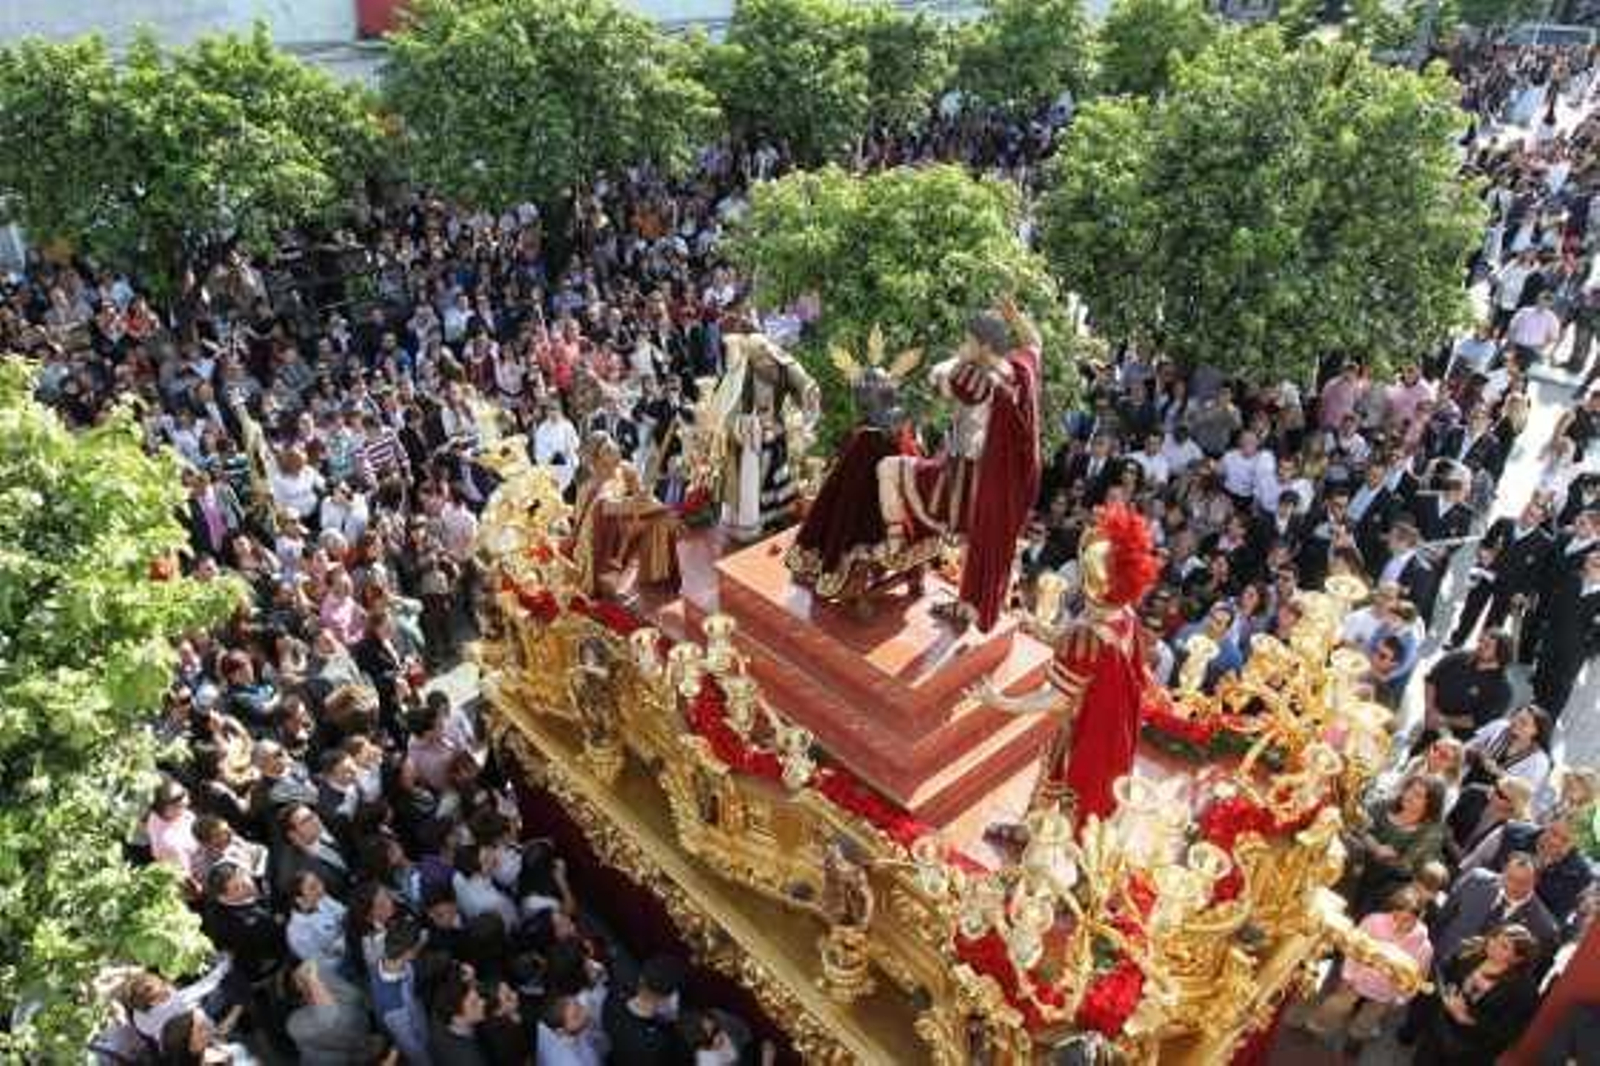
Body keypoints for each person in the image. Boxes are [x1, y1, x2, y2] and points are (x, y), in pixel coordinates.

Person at [969, 503, 1161, 823]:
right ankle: (1033, 828)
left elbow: (1056, 697)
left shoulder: (1087, 636)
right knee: (1065, 778)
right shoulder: (1124, 615)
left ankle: (1035, 834)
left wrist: (1001, 701)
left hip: (1085, 725)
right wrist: (1037, 625)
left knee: (1057, 770)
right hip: (1116, 725)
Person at [877, 301, 1042, 631]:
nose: (960, 346)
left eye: (967, 341)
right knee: (977, 545)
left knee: (887, 468)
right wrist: (1016, 319)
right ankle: (967, 608)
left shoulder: (976, 380)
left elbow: (935, 376)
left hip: (968, 480)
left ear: (983, 346)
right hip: (1004, 484)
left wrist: (959, 358)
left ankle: (896, 547)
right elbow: (1035, 343)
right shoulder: (1021, 370)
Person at [701, 325, 819, 542]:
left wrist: (808, 399)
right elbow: (729, 409)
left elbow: (804, 385)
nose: (764, 364)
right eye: (759, 361)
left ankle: (774, 518)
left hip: (774, 432)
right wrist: (742, 426)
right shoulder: (740, 370)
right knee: (755, 481)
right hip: (749, 438)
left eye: (766, 359)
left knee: (775, 474)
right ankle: (758, 521)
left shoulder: (781, 363)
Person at [1304, 887, 1433, 1044]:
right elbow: (1353, 948)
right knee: (1336, 1006)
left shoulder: (1424, 947)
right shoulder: (1374, 921)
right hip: (1358, 980)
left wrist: (1401, 998)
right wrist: (1347, 975)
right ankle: (1316, 1026)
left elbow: (1418, 976)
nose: (1399, 924)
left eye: (1406, 921)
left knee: (1369, 1018)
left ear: (1419, 917)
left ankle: (1356, 1036)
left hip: (1386, 993)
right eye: (1395, 918)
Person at [1413, 923, 1542, 1065]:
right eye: (1495, 938)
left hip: (1469, 1050)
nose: (1493, 945)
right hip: (1439, 1028)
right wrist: (1446, 995)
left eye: (1504, 946)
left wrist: (1469, 1020)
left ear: (1517, 959)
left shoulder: (1524, 992)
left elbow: (1509, 1032)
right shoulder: (1472, 948)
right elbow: (1441, 970)